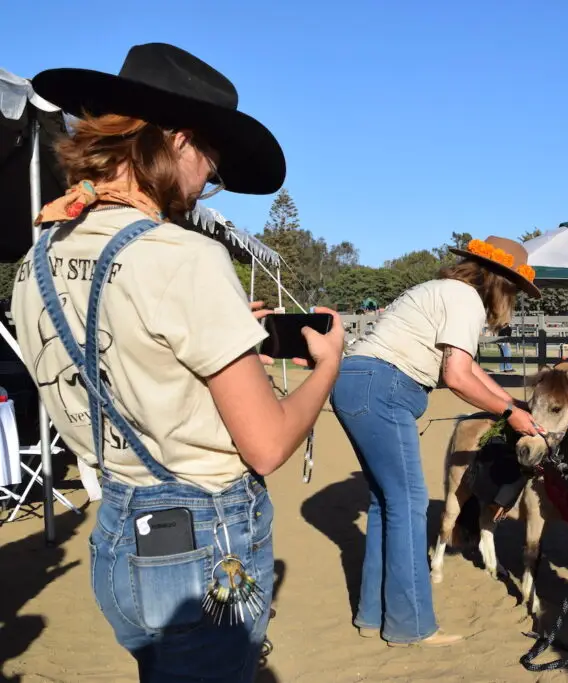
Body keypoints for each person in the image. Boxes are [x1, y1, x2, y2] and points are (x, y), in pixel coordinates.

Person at [10, 43, 344, 682]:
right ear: (182, 141)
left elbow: (119, 351)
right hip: (204, 531)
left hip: (119, 526)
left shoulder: (39, 257)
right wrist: (326, 366)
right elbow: (267, 445)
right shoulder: (183, 256)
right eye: (211, 166)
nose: (205, 183)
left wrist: (222, 328)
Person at [331, 236, 542, 647]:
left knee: (386, 503)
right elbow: (457, 376)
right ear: (501, 282)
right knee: (409, 505)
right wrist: (509, 414)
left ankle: (373, 613)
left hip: (359, 381)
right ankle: (409, 625)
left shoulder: (443, 290)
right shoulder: (465, 300)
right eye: (514, 290)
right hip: (384, 387)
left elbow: (471, 369)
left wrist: (512, 404)